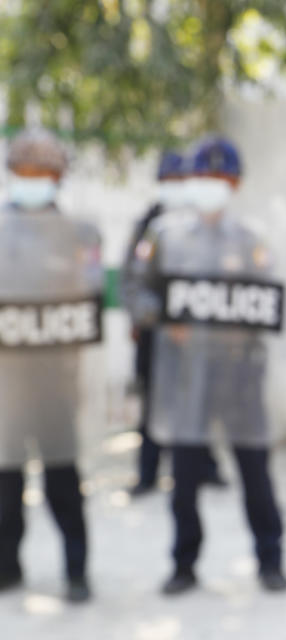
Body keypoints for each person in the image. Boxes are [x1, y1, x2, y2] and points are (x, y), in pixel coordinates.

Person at [127, 136, 286, 594]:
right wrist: (160, 317)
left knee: (255, 472)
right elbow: (137, 291)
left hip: (240, 377)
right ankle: (183, 564)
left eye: (220, 177)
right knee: (184, 481)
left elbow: (268, 302)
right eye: (203, 176)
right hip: (186, 376)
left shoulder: (253, 238)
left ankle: (270, 560)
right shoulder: (164, 235)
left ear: (234, 183)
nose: (211, 186)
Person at [0, 128, 101, 603]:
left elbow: (91, 299)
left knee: (63, 481)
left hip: (58, 382)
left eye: (43, 171)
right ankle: (6, 567)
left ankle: (76, 572)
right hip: (7, 383)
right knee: (4, 487)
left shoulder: (79, 234)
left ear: (58, 178)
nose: (33, 179)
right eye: (26, 171)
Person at [121, 151, 223, 496]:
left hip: (198, 332)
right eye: (168, 181)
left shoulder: (204, 224)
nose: (175, 188)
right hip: (157, 332)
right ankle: (148, 473)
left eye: (180, 181)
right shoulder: (148, 225)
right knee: (152, 403)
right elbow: (132, 281)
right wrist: (156, 318)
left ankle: (205, 467)